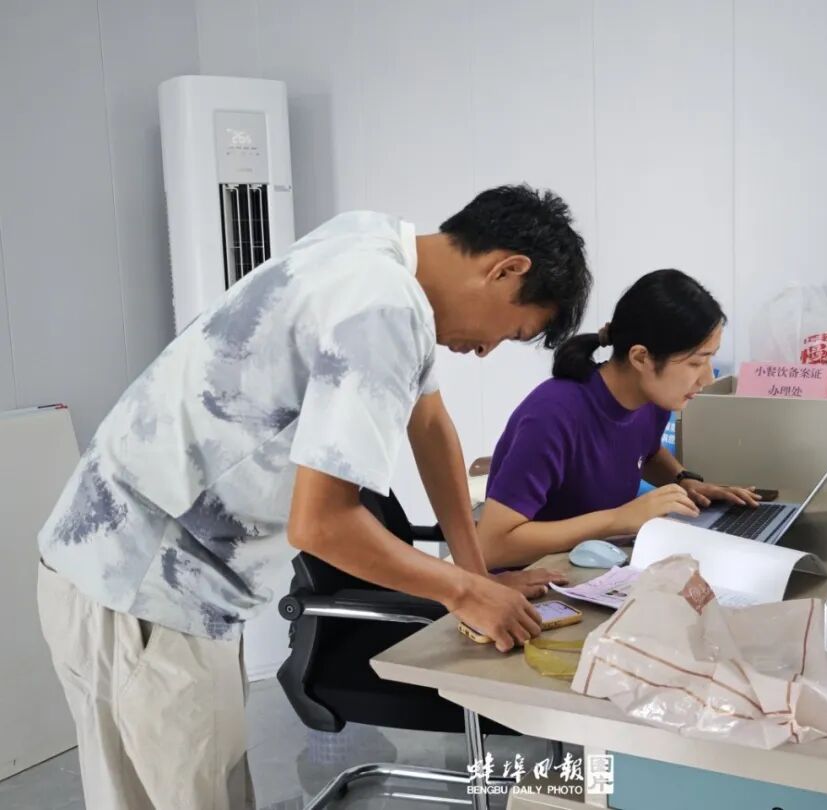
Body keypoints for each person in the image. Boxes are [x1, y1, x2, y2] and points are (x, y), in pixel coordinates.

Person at [36, 184, 590, 810]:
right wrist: (463, 593)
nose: (487, 350)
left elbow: (431, 423)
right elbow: (322, 525)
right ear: (506, 268)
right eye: (511, 330)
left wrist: (476, 571)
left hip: (126, 566)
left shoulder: (372, 243)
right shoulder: (385, 306)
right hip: (143, 589)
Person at [478, 269, 761, 569]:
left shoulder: (651, 401)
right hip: (528, 581)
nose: (707, 378)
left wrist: (683, 480)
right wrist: (619, 519)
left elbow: (646, 451)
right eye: (696, 362)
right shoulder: (553, 415)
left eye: (710, 358)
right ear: (641, 358)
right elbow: (491, 546)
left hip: (590, 570)